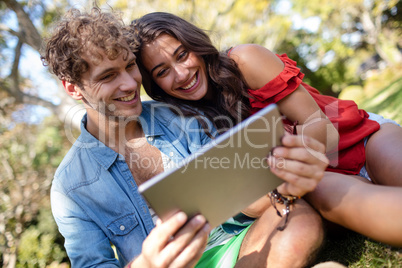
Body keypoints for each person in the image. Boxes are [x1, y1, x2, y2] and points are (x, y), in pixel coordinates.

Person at [42, 7, 329, 268]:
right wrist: (146, 264)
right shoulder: (70, 187)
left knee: (298, 221)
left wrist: (277, 184)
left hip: (235, 246)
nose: (130, 84)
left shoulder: (176, 113)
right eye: (108, 76)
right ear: (74, 89)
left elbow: (240, 199)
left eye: (130, 66)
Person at [129, 12, 402, 246]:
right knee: (325, 190)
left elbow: (320, 125)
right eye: (163, 71)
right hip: (319, 183)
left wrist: (293, 161)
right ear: (154, 85)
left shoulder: (245, 60)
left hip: (360, 139)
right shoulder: (185, 124)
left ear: (195, 44)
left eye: (182, 54)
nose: (181, 73)